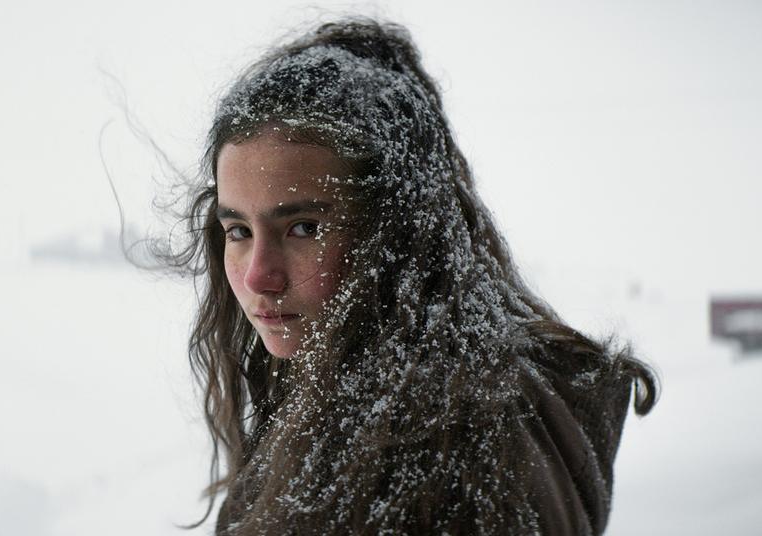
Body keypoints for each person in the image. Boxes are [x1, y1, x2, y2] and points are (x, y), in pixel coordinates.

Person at [157, 17, 658, 535]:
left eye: (304, 227)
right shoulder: (495, 395)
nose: (259, 276)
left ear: (398, 234)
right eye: (238, 231)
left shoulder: (423, 471)